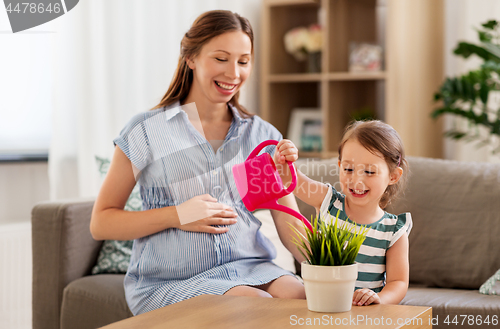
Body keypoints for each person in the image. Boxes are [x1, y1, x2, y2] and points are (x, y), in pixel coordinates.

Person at [89, 10, 307, 315]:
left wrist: (336, 271)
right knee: (256, 306)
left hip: (252, 267)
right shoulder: (146, 131)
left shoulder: (261, 135)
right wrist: (178, 215)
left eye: (243, 61)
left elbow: (287, 219)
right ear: (191, 57)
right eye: (221, 58)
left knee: (307, 297)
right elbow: (102, 222)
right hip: (171, 280)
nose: (234, 73)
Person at [275, 120, 412, 306]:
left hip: (364, 314)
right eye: (348, 169)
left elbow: (399, 282)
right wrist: (285, 156)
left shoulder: (394, 232)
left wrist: (379, 299)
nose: (356, 180)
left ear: (393, 176)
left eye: (370, 172)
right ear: (339, 166)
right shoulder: (328, 201)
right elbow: (291, 178)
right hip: (321, 304)